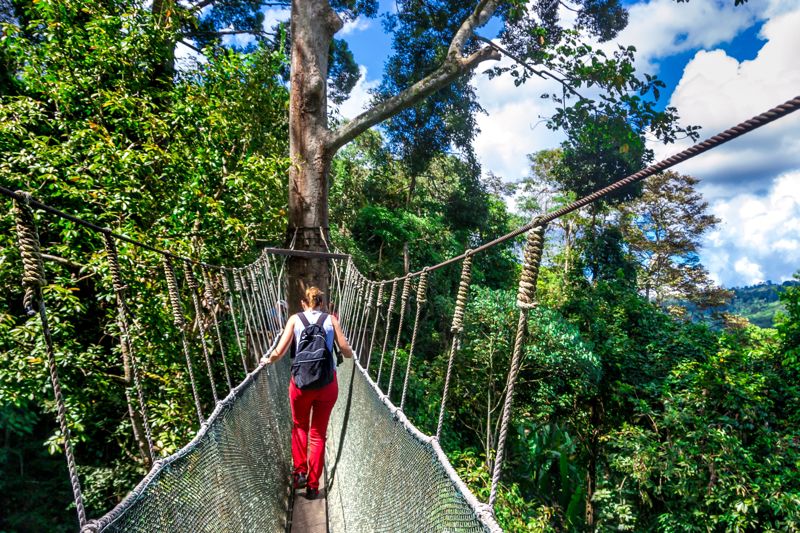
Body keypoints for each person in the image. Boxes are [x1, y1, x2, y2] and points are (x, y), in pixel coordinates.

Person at [261, 286, 353, 499]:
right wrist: (349, 351)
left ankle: (300, 473)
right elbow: (346, 351)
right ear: (322, 303)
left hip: (300, 385)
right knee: (318, 434)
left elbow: (279, 351)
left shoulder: (295, 319)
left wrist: (268, 359)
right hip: (327, 384)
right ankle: (313, 486)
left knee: (300, 426)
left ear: (304, 303)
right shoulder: (331, 320)